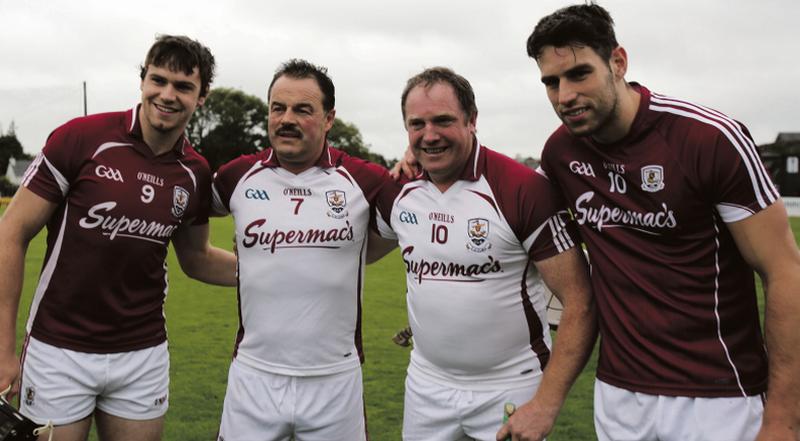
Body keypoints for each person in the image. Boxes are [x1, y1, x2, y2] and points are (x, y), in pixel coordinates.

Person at [526, 4, 800, 440]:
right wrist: (427, 165)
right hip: (618, 395)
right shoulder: (562, 153)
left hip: (719, 396)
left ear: (618, 62)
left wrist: (785, 419)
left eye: (579, 74)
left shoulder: (709, 139)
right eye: (551, 82)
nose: (564, 96)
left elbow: (784, 272)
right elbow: (510, 203)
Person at [0, 35, 237, 441]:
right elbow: (11, 233)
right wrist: (2, 348)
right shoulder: (81, 138)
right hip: (59, 349)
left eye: (183, 86)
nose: (167, 95)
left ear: (201, 97)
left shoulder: (194, 171)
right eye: (157, 80)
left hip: (142, 353)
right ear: (142, 80)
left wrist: (278, 266)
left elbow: (197, 259)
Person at [376, 67, 596, 441]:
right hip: (426, 385)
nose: (429, 135)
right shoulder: (398, 190)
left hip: (510, 385)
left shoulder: (523, 189)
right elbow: (348, 251)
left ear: (472, 120)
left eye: (443, 120)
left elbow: (580, 301)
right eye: (417, 124)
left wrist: (545, 403)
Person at [212, 59, 395, 441]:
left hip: (335, 378)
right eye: (278, 108)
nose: (286, 119)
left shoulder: (368, 181)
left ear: (329, 119)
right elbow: (174, 211)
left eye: (302, 109)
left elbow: (412, 221)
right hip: (254, 374)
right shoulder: (234, 177)